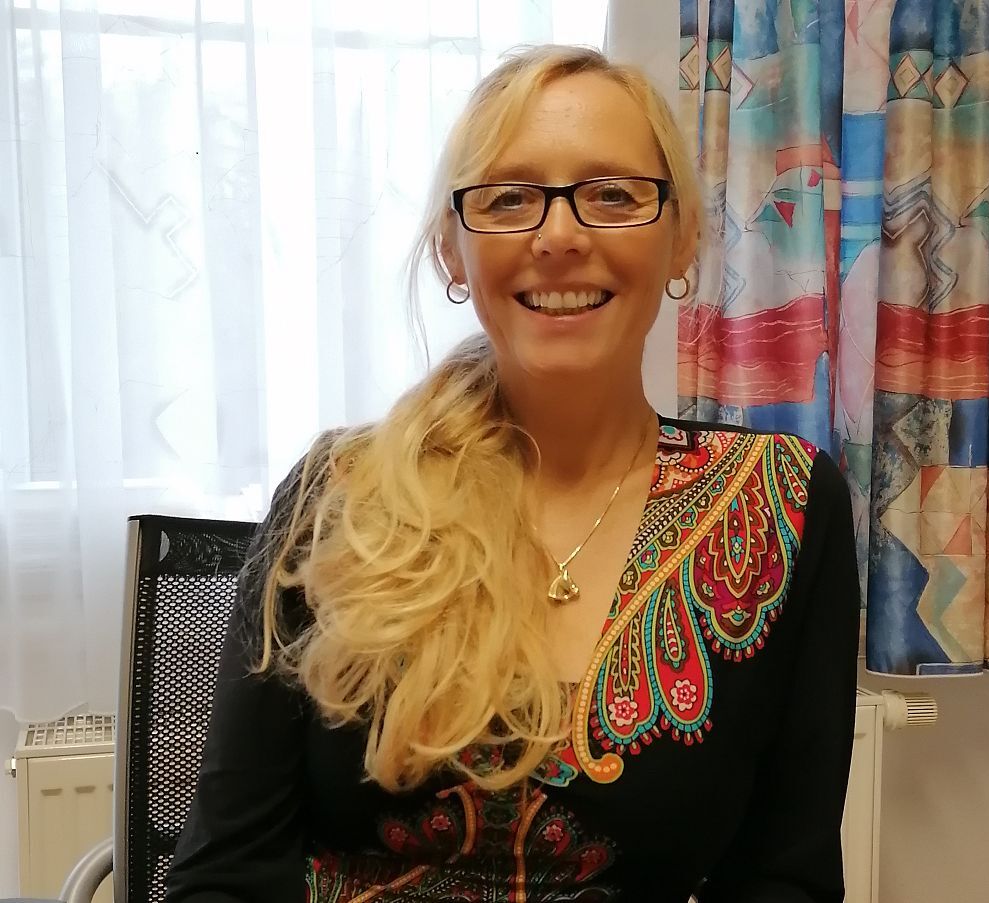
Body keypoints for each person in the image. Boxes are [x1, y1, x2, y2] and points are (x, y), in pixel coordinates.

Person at [164, 44, 860, 903]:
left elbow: (785, 879)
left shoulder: (785, 506)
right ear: (453, 252)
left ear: (682, 239)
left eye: (613, 194)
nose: (559, 235)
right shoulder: (333, 498)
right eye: (508, 198)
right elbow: (223, 875)